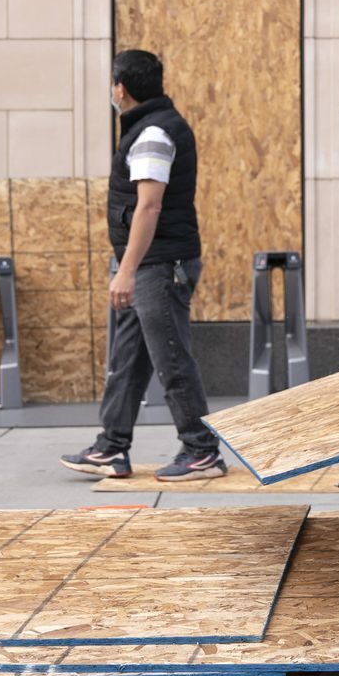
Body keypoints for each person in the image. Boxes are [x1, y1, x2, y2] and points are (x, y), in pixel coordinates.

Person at [61, 50, 228, 483]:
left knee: (171, 360)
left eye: (112, 85)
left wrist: (127, 269)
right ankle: (112, 447)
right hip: (149, 264)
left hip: (158, 265)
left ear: (121, 89)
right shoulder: (147, 126)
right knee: (128, 359)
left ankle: (202, 450)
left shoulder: (153, 132)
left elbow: (149, 207)